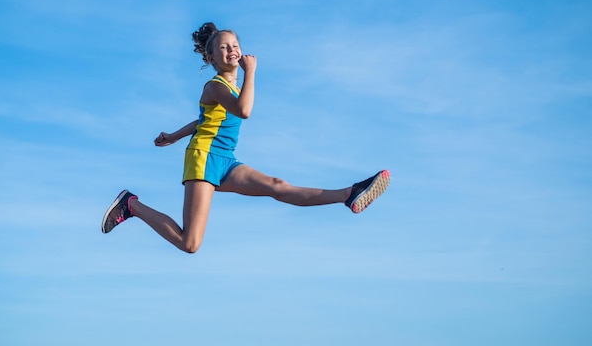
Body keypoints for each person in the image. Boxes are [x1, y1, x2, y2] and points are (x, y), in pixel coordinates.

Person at [101, 22, 390, 253]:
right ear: (211, 58)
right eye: (224, 48)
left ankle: (348, 194)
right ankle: (132, 205)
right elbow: (244, 111)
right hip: (204, 159)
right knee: (190, 243)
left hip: (225, 159)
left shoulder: (229, 90)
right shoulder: (215, 86)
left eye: (235, 45)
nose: (232, 50)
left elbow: (206, 120)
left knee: (277, 187)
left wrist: (175, 135)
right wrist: (251, 73)